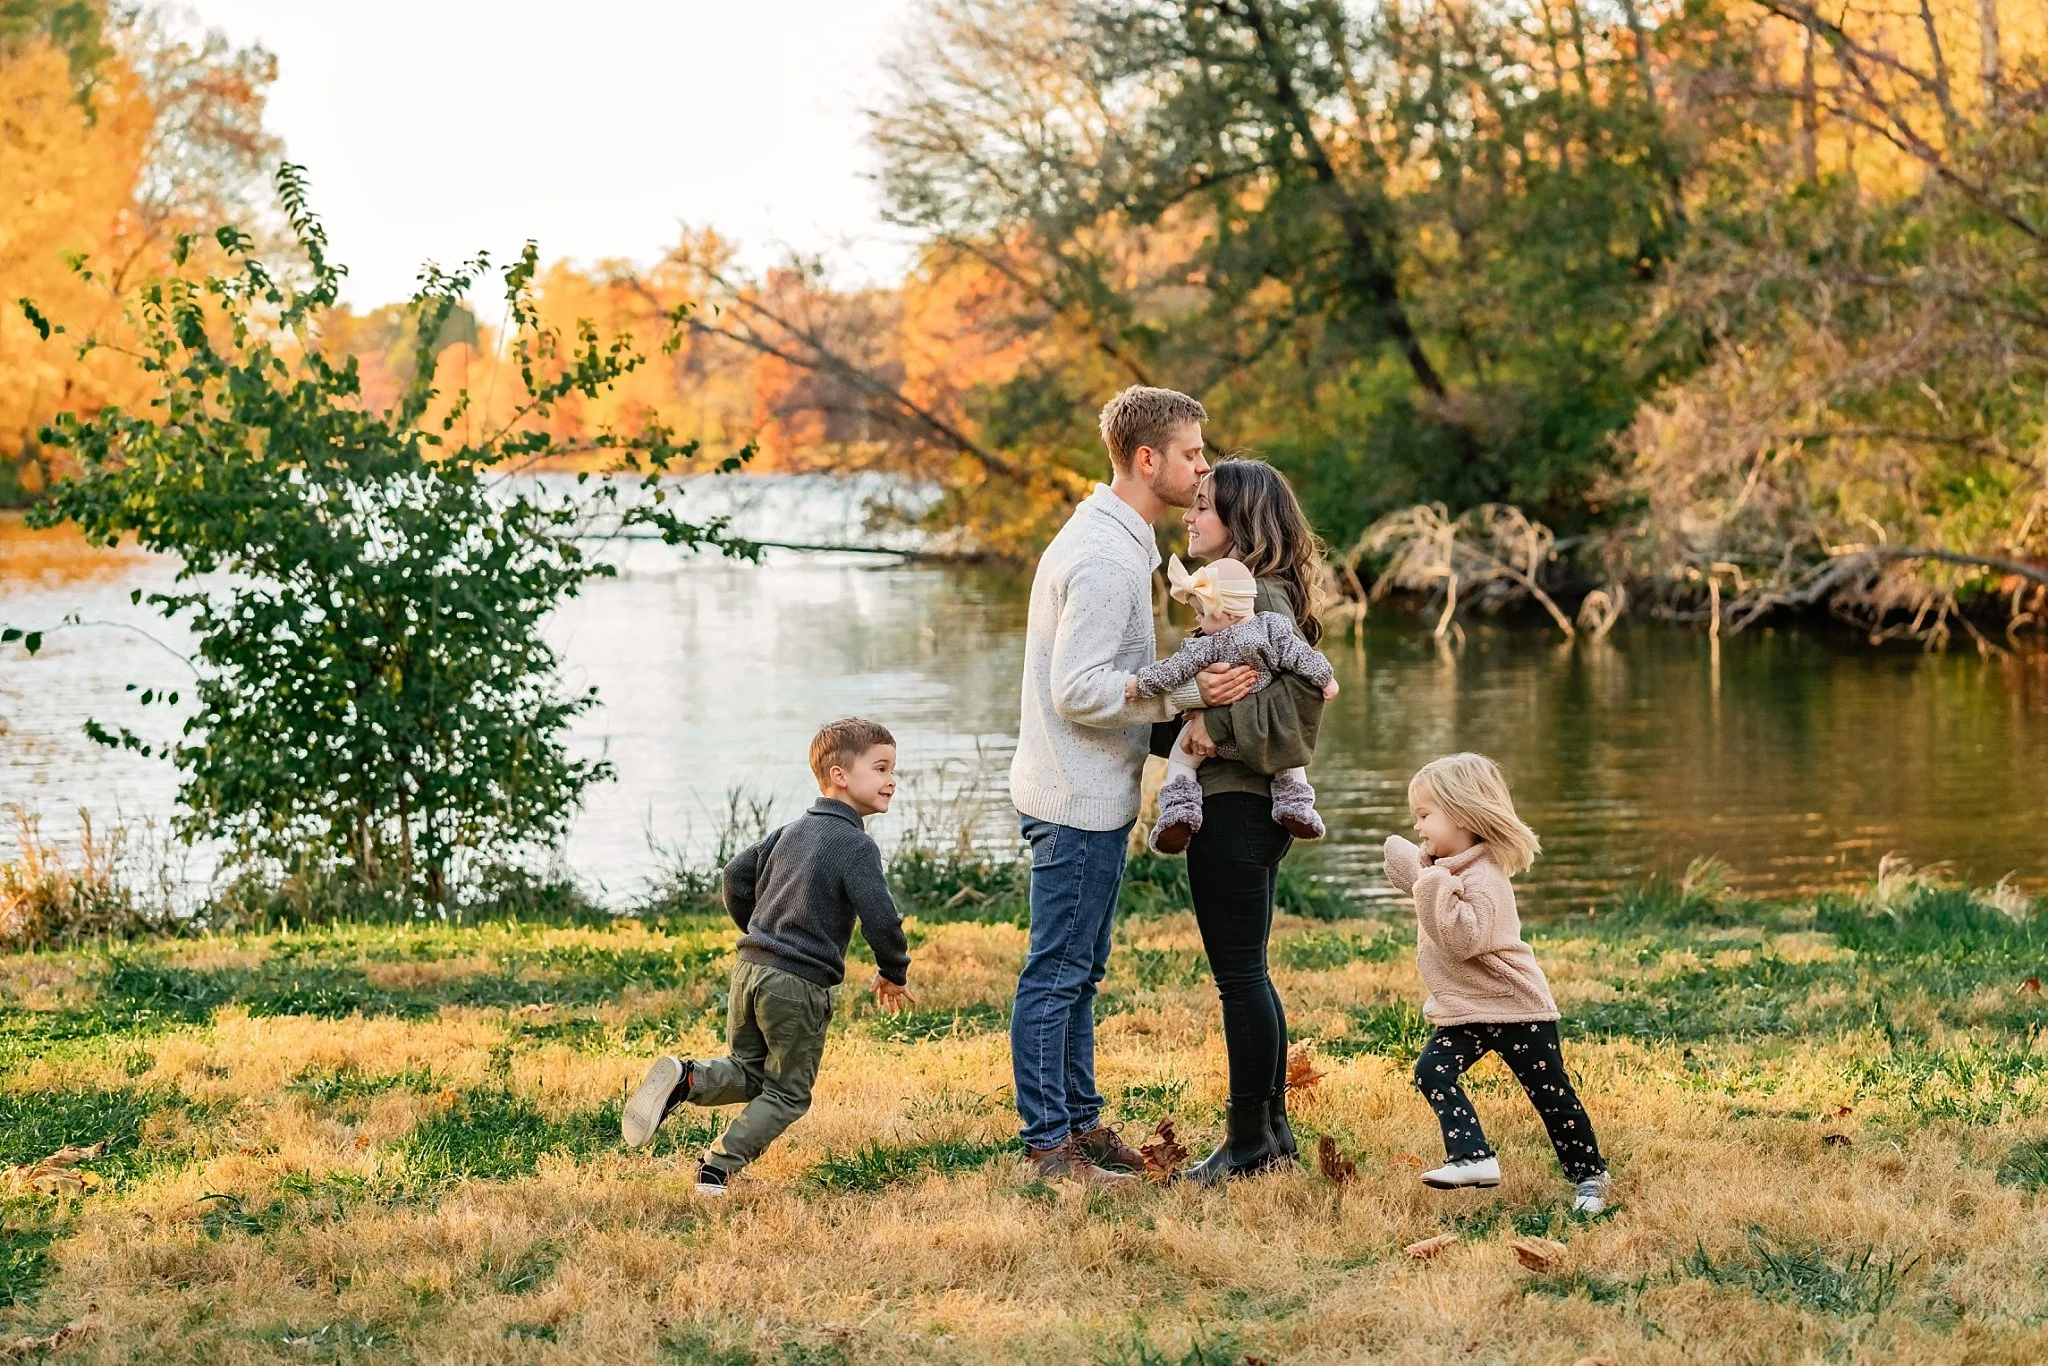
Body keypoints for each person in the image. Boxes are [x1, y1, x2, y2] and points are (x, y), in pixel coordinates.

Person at [1007, 385, 1258, 1183]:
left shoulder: (1117, 542)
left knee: (1080, 970)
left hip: (1084, 789)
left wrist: (1173, 709)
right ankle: (1050, 1147)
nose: (1202, 467)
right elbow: (1077, 690)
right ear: (1148, 460)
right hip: (1074, 799)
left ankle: (1079, 1126)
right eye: (1192, 454)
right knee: (1058, 974)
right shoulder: (1107, 558)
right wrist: (1185, 695)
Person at [621, 717, 911, 1196]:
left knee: (749, 1069)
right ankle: (718, 1168)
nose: (891, 780)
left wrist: (761, 933)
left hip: (750, 968)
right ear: (840, 775)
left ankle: (685, 1080)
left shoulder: (790, 831)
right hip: (796, 984)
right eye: (881, 768)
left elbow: (734, 876)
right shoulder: (856, 845)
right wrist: (893, 970)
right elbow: (882, 919)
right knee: (788, 1092)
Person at [1166, 457, 1330, 1183]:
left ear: (1240, 520)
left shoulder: (1253, 596)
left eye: (1204, 507)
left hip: (1238, 806)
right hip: (1248, 808)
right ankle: (1273, 1133)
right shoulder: (1243, 596)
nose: (1191, 517)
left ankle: (1247, 1145)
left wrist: (1213, 731)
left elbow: (1299, 710)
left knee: (1239, 979)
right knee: (1251, 973)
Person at [1382, 752, 1613, 1215]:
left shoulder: (1485, 877)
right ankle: (1472, 1156)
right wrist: (1425, 872)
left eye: (1425, 815)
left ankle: (1590, 1176)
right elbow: (1409, 871)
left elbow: (1462, 938)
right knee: (1432, 1071)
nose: (1418, 827)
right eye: (1416, 817)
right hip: (1468, 1009)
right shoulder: (1448, 869)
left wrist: (1429, 882)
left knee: (1551, 1095)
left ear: (1464, 814)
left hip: (1515, 1007)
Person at [1127, 554, 1339, 852]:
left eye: (1201, 613)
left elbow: (1171, 672)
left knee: (1180, 758)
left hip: (1210, 741)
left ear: (1222, 612)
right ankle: (1296, 805)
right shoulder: (1273, 628)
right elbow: (1302, 657)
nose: (1198, 621)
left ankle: (1179, 810)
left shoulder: (1208, 645)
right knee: (1289, 758)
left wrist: (1138, 685)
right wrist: (1327, 679)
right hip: (1258, 737)